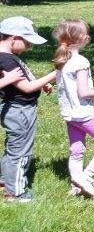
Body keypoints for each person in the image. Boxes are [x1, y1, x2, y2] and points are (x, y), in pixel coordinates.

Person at [53, 19, 94, 199]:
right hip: (83, 114)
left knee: (76, 150)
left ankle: (75, 187)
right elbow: (83, 92)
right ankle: (86, 176)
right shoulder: (81, 62)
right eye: (86, 33)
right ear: (81, 38)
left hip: (70, 114)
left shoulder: (62, 60)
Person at [0, 17, 57, 203]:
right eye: (27, 42)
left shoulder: (8, 56)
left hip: (15, 109)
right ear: (14, 38)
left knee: (13, 146)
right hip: (20, 110)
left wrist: (41, 83)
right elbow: (26, 88)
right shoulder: (6, 59)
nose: (30, 46)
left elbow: (24, 80)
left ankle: (4, 181)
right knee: (20, 150)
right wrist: (54, 74)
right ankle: (15, 193)